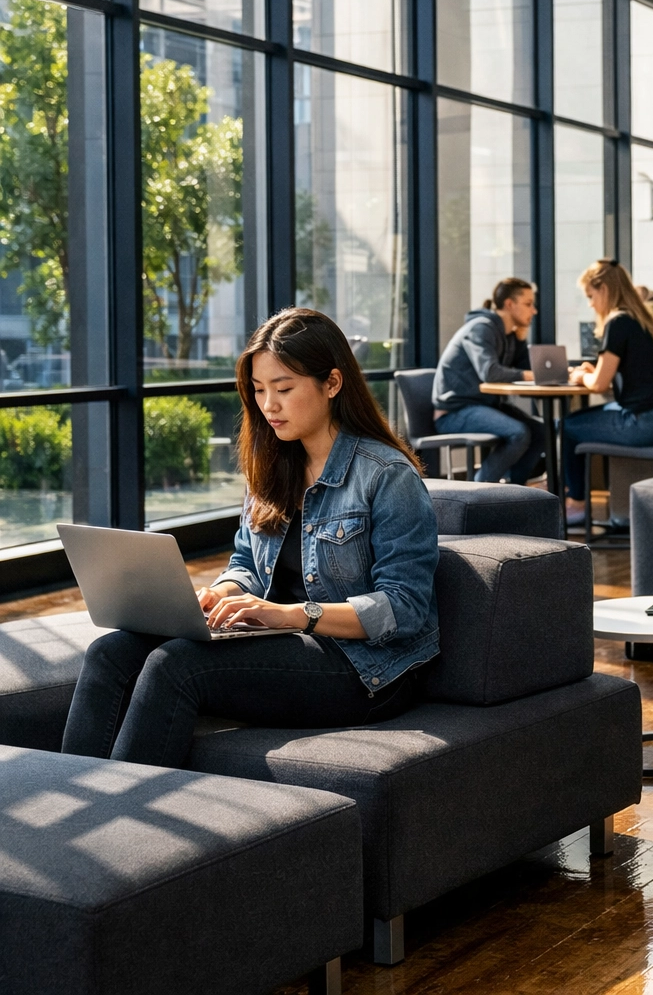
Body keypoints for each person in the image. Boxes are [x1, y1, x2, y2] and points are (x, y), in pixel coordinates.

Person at [60, 308, 440, 768]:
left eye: (283, 389)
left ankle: (123, 820)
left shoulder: (387, 476)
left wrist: (289, 615)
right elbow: (246, 562)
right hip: (282, 640)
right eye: (258, 390)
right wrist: (221, 594)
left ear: (333, 383)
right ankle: (72, 802)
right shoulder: (272, 466)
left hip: (366, 668)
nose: (268, 405)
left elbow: (406, 608)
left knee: (175, 667)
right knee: (110, 652)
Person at [562, 259, 653, 524]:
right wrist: (593, 372)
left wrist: (583, 375)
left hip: (645, 422)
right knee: (585, 419)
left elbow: (599, 384)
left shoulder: (617, 321)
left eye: (590, 296)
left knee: (568, 426)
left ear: (603, 288)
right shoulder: (643, 320)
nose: (591, 304)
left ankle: (577, 503)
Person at [432, 277, 545, 484]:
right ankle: (480, 493)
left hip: (485, 406)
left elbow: (523, 369)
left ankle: (516, 493)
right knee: (519, 433)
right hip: (455, 412)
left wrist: (520, 341)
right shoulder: (481, 329)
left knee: (541, 432)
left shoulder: (509, 334)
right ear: (509, 305)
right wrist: (531, 375)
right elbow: (491, 373)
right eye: (528, 304)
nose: (534, 311)